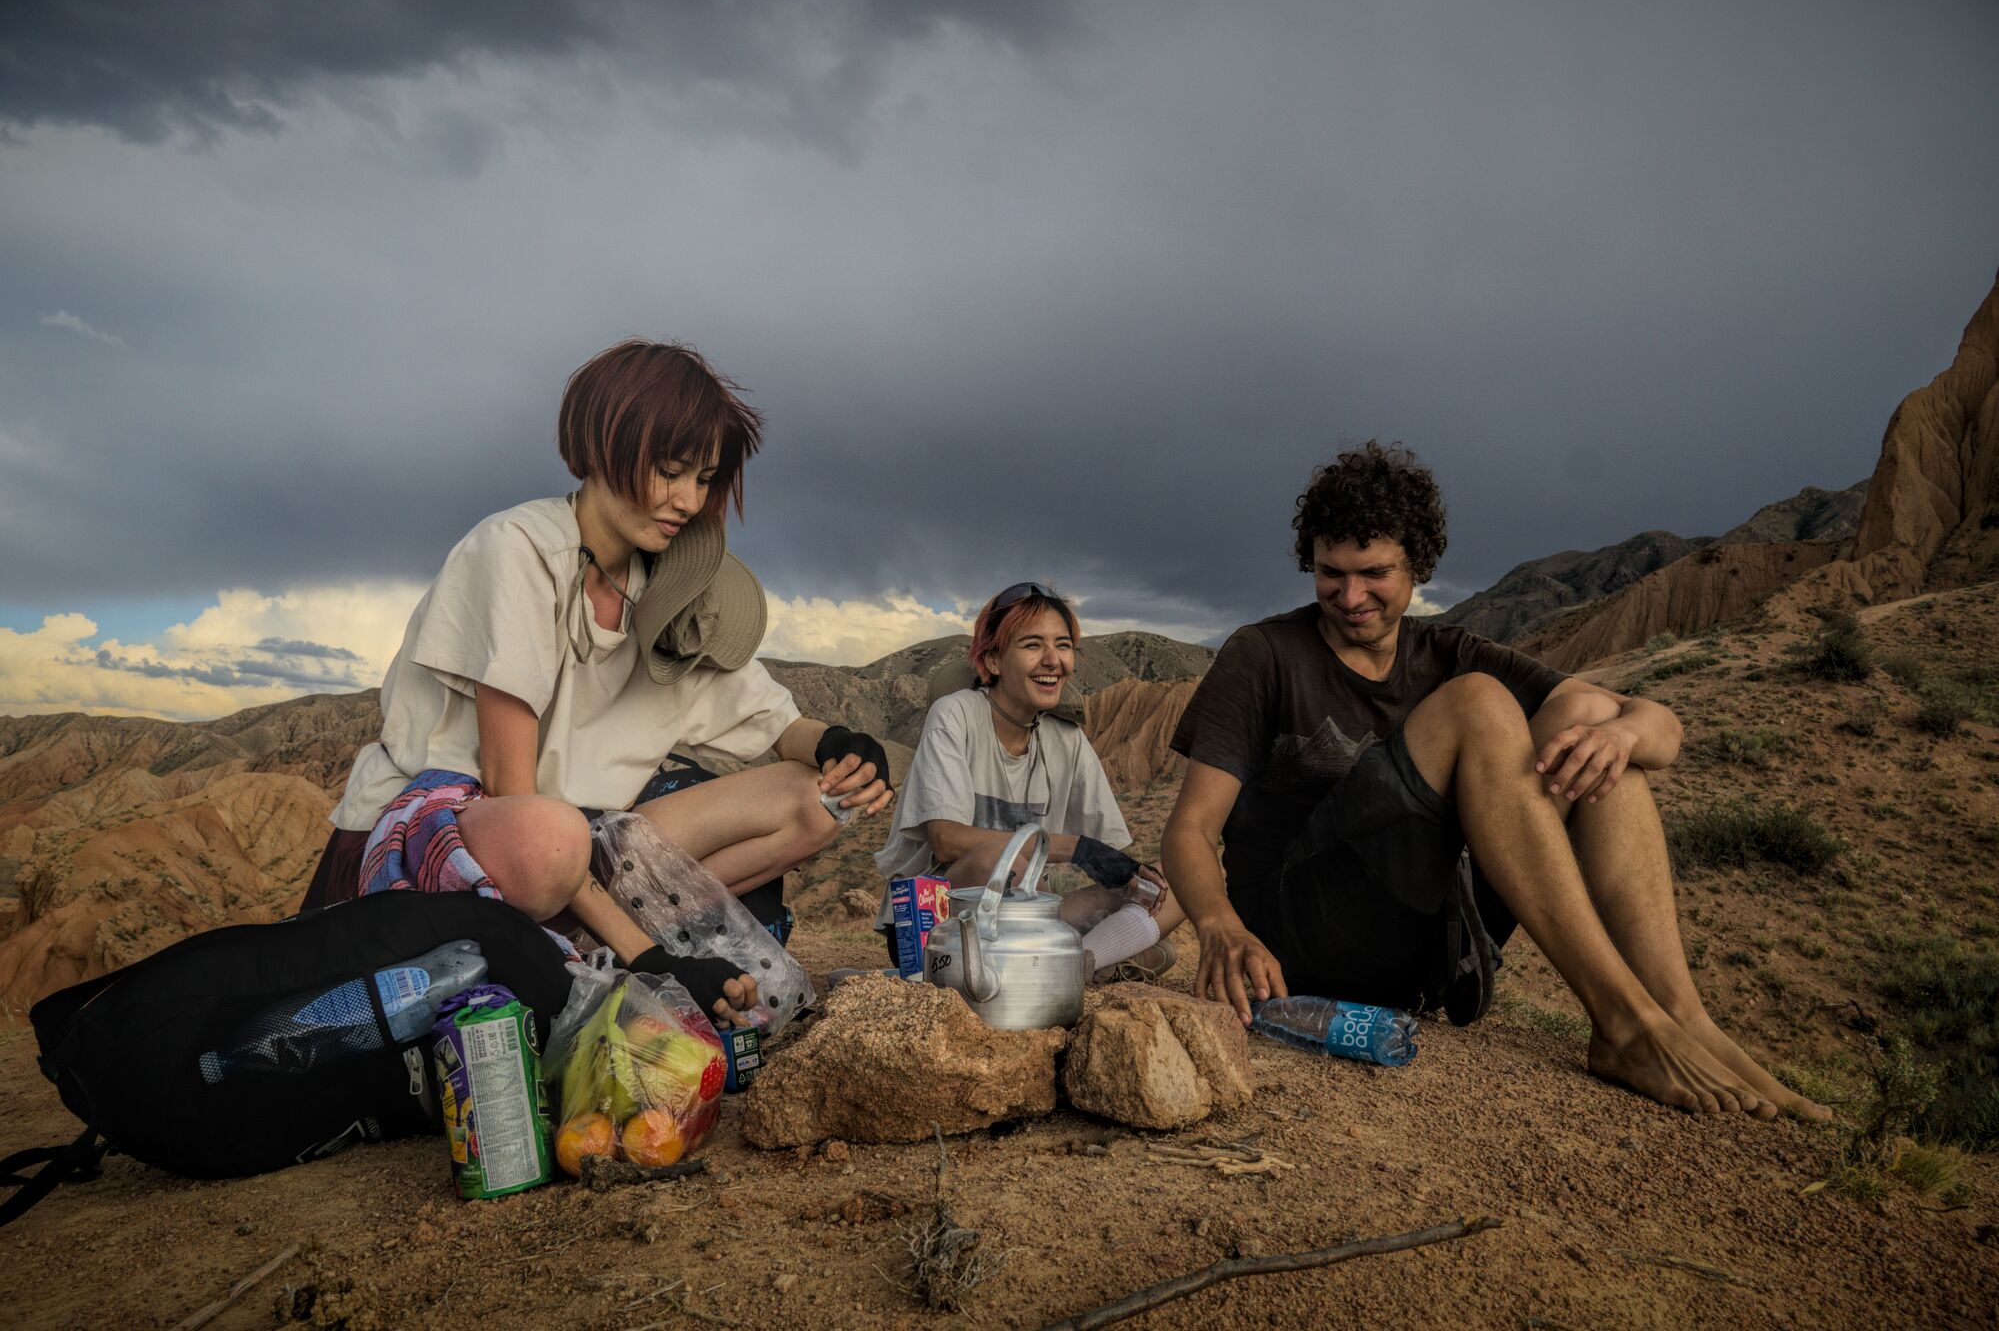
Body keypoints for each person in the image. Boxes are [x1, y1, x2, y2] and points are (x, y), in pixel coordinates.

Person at [1161, 441, 1828, 1119]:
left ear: (1417, 566)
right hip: (1296, 944)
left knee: (1595, 738)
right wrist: (1218, 925)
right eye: (1331, 573)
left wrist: (1621, 736)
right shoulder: (1265, 655)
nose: (1350, 596)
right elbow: (1189, 828)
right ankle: (1625, 1023)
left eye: (1374, 573)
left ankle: (1681, 1014)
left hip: (1421, 955)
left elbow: (1660, 729)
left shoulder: (1447, 651)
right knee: (1479, 703)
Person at [305, 339, 894, 1027]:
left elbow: (772, 721)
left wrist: (840, 747)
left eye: (704, 479)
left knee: (815, 800)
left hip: (579, 849)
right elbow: (511, 794)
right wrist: (653, 959)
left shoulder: (666, 590)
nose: (688, 501)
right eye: (670, 472)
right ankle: (625, 955)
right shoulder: (519, 549)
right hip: (458, 840)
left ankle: (589, 949)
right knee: (550, 835)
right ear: (604, 445)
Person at [875, 582, 1185, 980]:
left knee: (1175, 881)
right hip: (936, 925)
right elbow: (946, 839)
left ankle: (1078, 965)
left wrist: (1130, 878)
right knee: (998, 862)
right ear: (993, 660)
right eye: (1033, 645)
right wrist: (1076, 848)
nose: (1053, 660)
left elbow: (1111, 854)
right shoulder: (955, 715)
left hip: (1029, 918)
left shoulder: (1066, 737)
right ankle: (1086, 962)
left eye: (1063, 645)